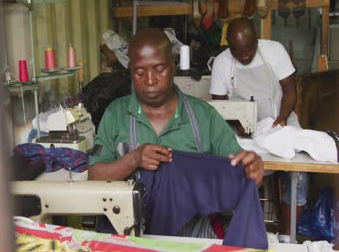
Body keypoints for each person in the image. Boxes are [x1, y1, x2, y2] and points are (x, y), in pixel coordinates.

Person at [88, 28, 264, 238]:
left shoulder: (204, 117)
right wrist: (133, 159)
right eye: (139, 72)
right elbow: (95, 177)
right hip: (131, 239)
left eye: (159, 69)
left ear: (173, 65)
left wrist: (253, 170)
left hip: (191, 241)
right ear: (130, 71)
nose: (150, 80)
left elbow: (241, 175)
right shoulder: (115, 114)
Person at [209, 17, 307, 243]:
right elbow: (219, 107)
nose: (244, 57)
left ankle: (285, 237)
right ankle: (247, 233)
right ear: (229, 48)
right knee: (238, 169)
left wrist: (282, 117)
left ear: (257, 40)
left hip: (281, 120)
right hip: (242, 127)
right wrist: (236, 124)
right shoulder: (222, 63)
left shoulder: (275, 51)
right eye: (238, 53)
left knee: (300, 173)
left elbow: (290, 90)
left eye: (249, 50)